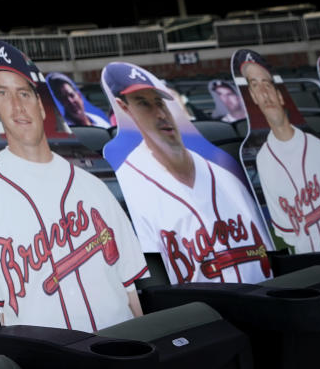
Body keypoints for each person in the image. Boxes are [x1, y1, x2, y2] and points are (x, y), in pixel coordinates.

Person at [0, 40, 146, 331]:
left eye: (24, 93)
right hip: (45, 362)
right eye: (3, 93)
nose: (17, 106)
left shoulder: (92, 185)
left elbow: (132, 286)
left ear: (40, 105)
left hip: (126, 344)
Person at [106, 61, 272, 284]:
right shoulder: (129, 185)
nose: (160, 114)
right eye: (144, 104)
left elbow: (270, 255)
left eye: (160, 103)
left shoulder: (225, 176)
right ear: (124, 109)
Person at [237, 50, 320, 252]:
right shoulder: (264, 159)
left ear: (280, 95)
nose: (264, 92)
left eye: (267, 84)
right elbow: (287, 232)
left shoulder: (317, 145)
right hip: (313, 269)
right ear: (253, 97)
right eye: (255, 85)